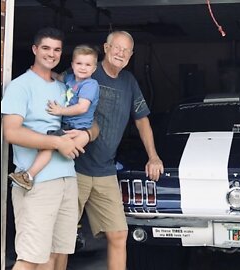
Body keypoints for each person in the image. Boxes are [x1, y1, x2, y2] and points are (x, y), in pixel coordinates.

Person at [68, 30, 165, 270]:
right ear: (106, 48)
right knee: (62, 237)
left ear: (131, 56)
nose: (120, 53)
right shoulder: (87, 70)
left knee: (119, 234)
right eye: (116, 47)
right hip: (74, 168)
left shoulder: (129, 82)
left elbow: (142, 121)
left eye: (126, 50)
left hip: (105, 172)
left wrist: (153, 156)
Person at [1, 27, 91, 270]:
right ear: (34, 49)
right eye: (46, 48)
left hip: (67, 179)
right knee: (30, 258)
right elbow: (11, 132)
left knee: (59, 255)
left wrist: (86, 134)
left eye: (57, 50)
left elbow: (91, 120)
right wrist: (57, 142)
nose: (51, 54)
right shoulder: (20, 86)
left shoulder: (63, 89)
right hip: (37, 183)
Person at [8, 44, 100, 191]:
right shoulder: (71, 80)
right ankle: (29, 175)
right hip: (68, 125)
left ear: (94, 68)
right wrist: (33, 72)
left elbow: (82, 107)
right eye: (79, 63)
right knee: (50, 145)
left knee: (48, 146)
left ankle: (28, 176)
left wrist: (60, 111)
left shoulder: (90, 84)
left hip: (77, 126)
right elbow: (58, 76)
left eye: (88, 65)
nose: (83, 67)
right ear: (72, 65)